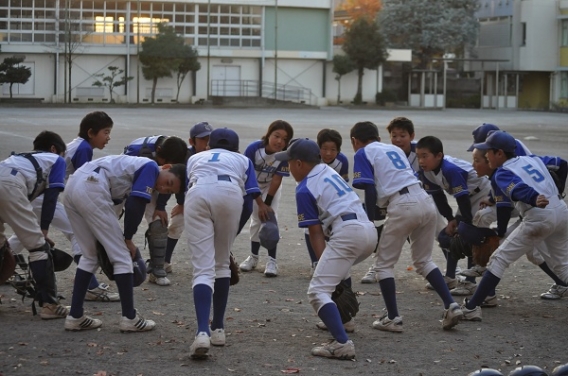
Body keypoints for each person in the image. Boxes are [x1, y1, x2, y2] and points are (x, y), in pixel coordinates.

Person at [351, 122, 463, 332]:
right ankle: (452, 305)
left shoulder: (363, 152)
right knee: (424, 260)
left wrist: (369, 221)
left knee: (383, 265)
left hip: (402, 204)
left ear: (355, 141)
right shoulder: (393, 149)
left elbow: (368, 187)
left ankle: (393, 317)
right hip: (424, 200)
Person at [274, 138, 376, 360]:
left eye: (290, 162)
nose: (289, 167)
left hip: (348, 233)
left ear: (299, 163)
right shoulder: (328, 171)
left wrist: (322, 263)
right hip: (368, 231)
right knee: (339, 271)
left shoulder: (304, 188)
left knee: (318, 290)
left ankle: (341, 343)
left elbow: (315, 232)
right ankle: (345, 320)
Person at [62, 154, 185, 332]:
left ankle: (75, 316)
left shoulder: (134, 168)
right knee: (122, 257)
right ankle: (130, 318)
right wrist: (127, 238)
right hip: (92, 186)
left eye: (168, 191)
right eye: (169, 182)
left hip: (75, 186)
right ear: (165, 167)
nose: (163, 187)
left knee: (90, 256)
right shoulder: (150, 167)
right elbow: (136, 203)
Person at [8, 111, 117, 302]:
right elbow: (86, 181)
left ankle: (3, 266)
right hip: (43, 196)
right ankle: (89, 285)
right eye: (106, 132)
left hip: (34, 195)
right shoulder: (84, 149)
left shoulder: (77, 144)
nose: (108, 137)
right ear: (91, 133)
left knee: (22, 234)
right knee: (76, 233)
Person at [460, 131, 568, 321]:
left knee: (498, 259)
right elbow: (562, 164)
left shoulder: (502, 172)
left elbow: (516, 188)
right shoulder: (534, 159)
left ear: (500, 153)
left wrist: (533, 197)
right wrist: (556, 191)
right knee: (563, 268)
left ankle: (471, 307)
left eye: (489, 152)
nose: (486, 156)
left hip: (539, 217)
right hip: (561, 211)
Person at [185, 128, 261, 359]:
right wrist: (230, 236)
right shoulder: (243, 159)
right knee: (221, 264)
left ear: (209, 145)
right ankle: (218, 329)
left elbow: (189, 182)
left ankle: (201, 333)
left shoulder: (195, 157)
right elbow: (250, 201)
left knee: (202, 269)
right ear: (236, 148)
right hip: (229, 194)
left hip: (198, 193)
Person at [0, 131, 69, 319]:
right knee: (38, 246)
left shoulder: (20, 157)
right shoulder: (56, 159)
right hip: (11, 186)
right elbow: (52, 196)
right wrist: (44, 230)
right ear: (54, 149)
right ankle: (50, 306)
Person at [416, 136, 491, 296]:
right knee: (447, 236)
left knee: (471, 236)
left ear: (439, 156)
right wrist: (451, 220)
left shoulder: (451, 169)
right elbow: (439, 197)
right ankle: (450, 277)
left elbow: (462, 199)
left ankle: (470, 283)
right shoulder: (426, 171)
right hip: (468, 197)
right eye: (419, 156)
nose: (421, 161)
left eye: (425, 156)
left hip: (483, 193)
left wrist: (465, 225)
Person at [360, 116, 423, 284]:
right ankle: (377, 266)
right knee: (384, 231)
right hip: (394, 199)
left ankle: (452, 269)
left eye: (402, 135)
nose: (398, 139)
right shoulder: (388, 151)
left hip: (419, 196)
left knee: (432, 233)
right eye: (394, 136)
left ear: (412, 136)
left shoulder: (421, 151)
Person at [123, 134, 188, 286]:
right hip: (123, 184)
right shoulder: (136, 151)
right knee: (105, 225)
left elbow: (169, 183)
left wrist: (160, 206)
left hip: (156, 182)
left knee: (159, 224)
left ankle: (157, 268)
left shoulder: (178, 154)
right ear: (158, 151)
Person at [239, 120, 294, 277]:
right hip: (252, 185)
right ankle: (254, 257)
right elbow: (247, 176)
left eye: (284, 139)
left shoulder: (283, 154)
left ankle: (272, 260)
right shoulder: (254, 149)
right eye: (276, 136)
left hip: (271, 188)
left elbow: (277, 179)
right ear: (268, 134)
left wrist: (267, 203)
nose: (279, 141)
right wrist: (259, 202)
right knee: (256, 219)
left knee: (270, 218)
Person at [164, 122, 214, 274]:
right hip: (189, 197)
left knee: (213, 231)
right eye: (203, 139)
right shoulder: (184, 155)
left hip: (211, 198)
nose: (207, 143)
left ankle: (218, 262)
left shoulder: (215, 154)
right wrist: (181, 203)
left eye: (210, 139)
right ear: (192, 141)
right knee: (175, 225)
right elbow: (179, 180)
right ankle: (164, 260)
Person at [304, 129, 349, 274]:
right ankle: (315, 262)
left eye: (333, 150)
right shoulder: (312, 160)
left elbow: (344, 184)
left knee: (333, 230)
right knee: (309, 228)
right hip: (314, 198)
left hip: (333, 202)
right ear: (318, 148)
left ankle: (331, 262)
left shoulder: (342, 161)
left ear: (339, 150)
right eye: (324, 149)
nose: (328, 153)